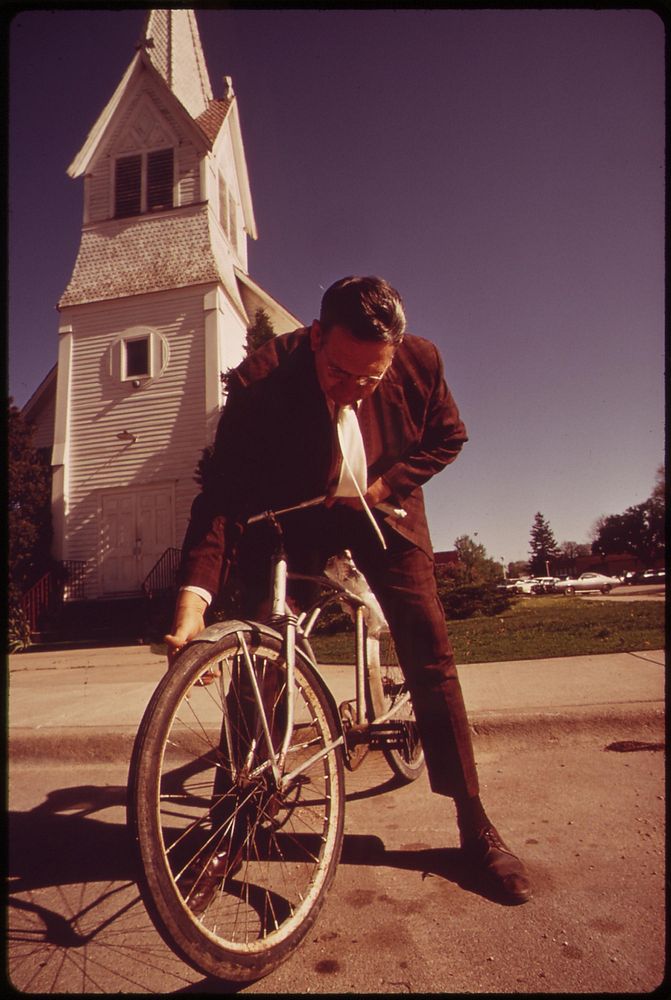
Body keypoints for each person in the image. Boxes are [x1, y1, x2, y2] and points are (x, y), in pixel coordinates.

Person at [166, 275, 531, 905]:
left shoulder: (420, 361)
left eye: (372, 379)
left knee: (429, 649)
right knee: (263, 655)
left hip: (384, 512)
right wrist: (193, 603)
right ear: (314, 339)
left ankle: (473, 822)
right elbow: (222, 500)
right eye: (341, 375)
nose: (356, 393)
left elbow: (450, 437)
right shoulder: (259, 386)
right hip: (301, 516)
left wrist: (392, 483)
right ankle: (233, 822)